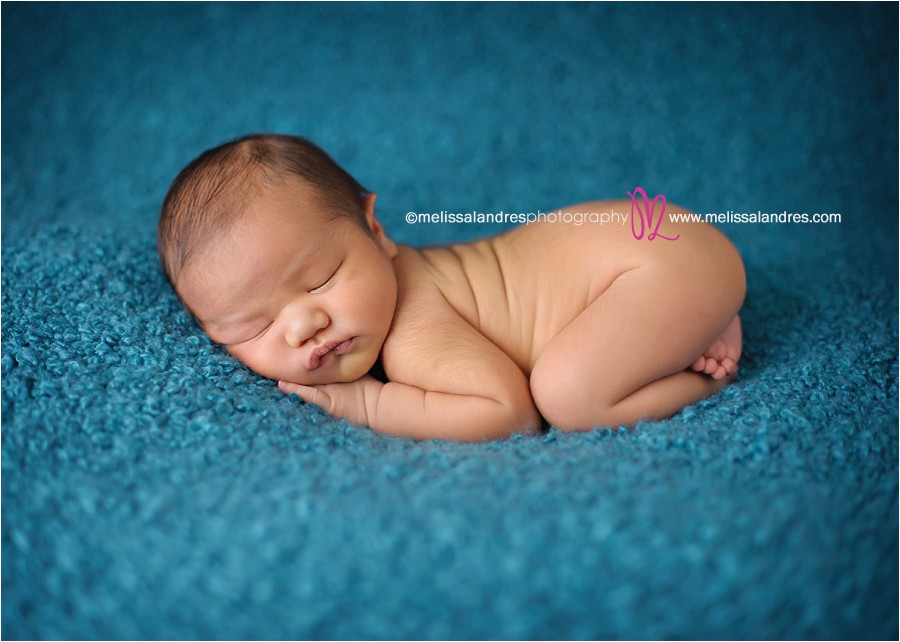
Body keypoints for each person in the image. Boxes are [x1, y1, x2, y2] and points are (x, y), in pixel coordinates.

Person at [159, 134, 745, 442]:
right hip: (661, 243)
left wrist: (371, 402)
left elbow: (508, 412)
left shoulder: (413, 327)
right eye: (252, 328)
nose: (301, 325)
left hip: (652, 264)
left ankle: (701, 373)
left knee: (568, 396)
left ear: (377, 231)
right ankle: (693, 313)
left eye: (321, 279)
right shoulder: (394, 286)